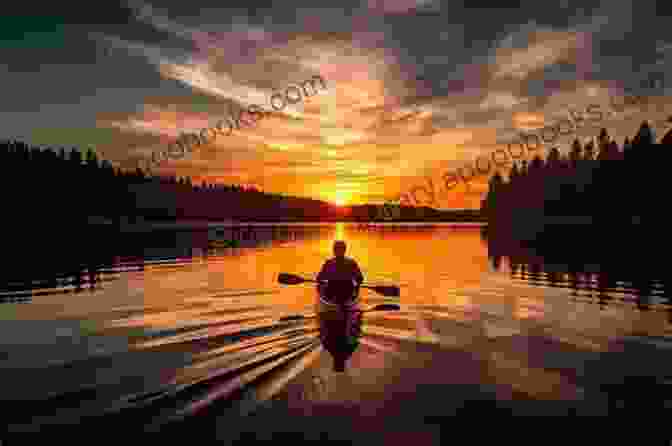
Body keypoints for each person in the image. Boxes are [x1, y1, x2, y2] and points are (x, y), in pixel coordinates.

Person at [316, 240, 364, 305]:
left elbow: (319, 278)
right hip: (347, 293)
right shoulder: (351, 262)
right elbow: (360, 279)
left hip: (331, 292)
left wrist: (321, 283)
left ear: (334, 251)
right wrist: (357, 285)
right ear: (345, 250)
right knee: (349, 291)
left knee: (326, 289)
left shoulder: (329, 263)